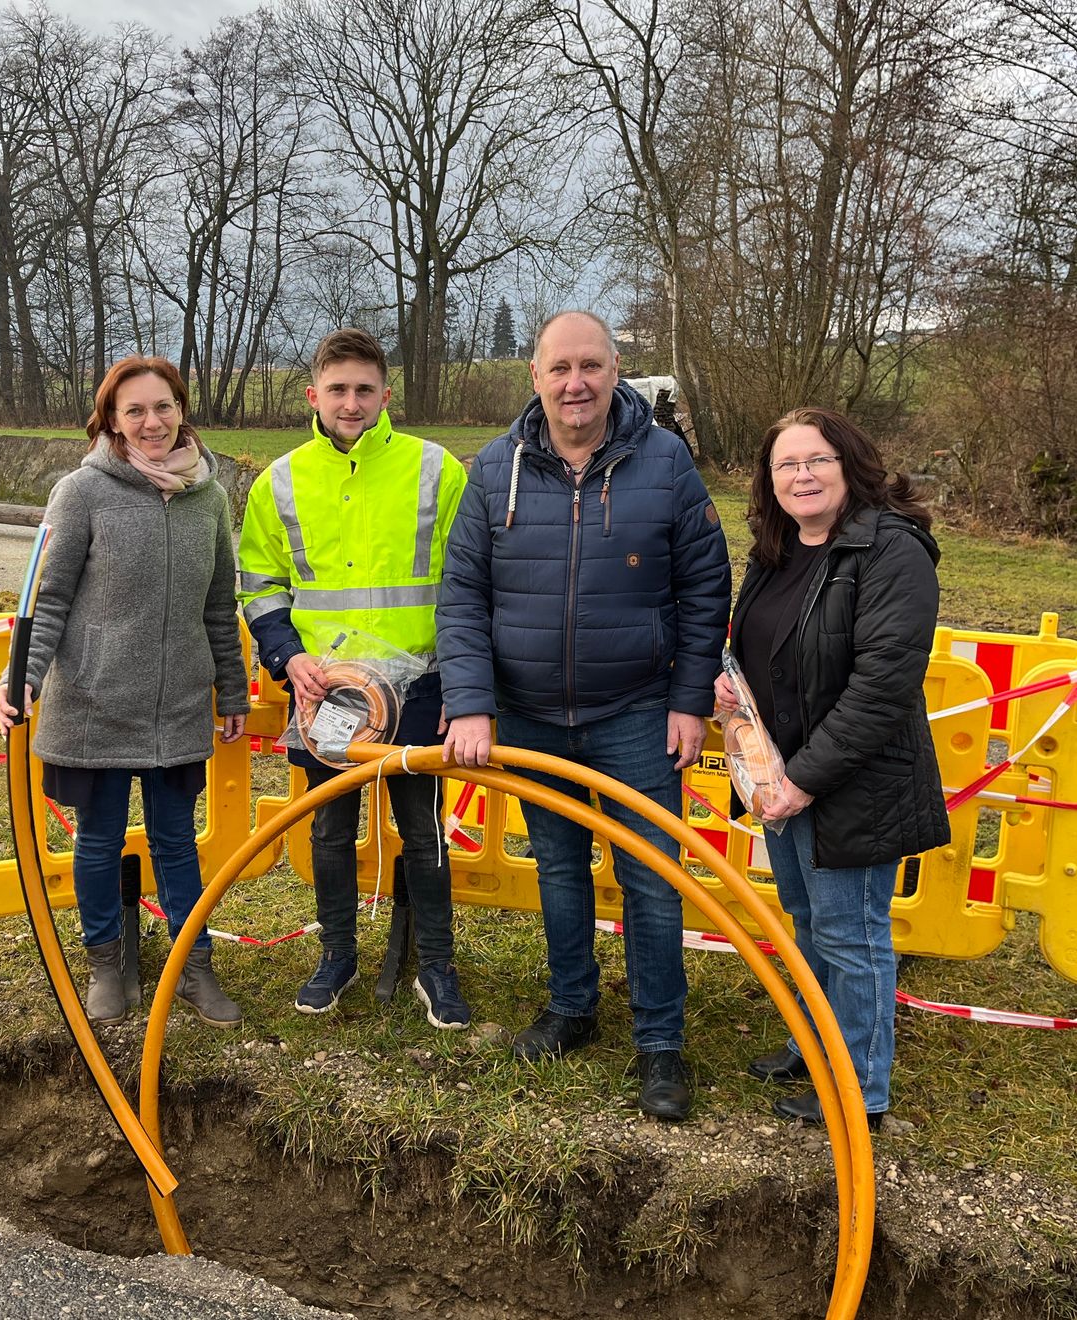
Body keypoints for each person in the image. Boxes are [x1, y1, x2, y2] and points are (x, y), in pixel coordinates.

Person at [437, 310, 731, 1121]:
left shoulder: (666, 464)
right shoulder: (494, 470)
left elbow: (707, 587)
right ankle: (572, 1008)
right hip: (530, 715)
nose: (576, 383)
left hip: (636, 711)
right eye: (560, 367)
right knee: (559, 868)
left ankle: (661, 1044)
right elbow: (462, 596)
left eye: (592, 367)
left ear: (616, 372)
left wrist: (688, 698)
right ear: (534, 376)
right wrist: (469, 702)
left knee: (652, 877)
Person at [0, 355, 250, 1029]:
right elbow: (47, 601)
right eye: (133, 410)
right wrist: (18, 678)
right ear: (111, 419)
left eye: (162, 406)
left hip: (177, 710)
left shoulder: (209, 498)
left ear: (181, 408)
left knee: (175, 841)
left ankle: (193, 969)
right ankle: (108, 962)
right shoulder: (81, 493)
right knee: (99, 841)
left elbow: (220, 606)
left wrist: (232, 692)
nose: (151, 421)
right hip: (93, 705)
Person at [715, 406, 949, 1128]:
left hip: (848, 784)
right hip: (780, 776)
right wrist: (731, 685)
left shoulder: (892, 553)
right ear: (769, 481)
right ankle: (812, 1043)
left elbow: (881, 689)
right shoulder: (775, 550)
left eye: (817, 460)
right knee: (809, 921)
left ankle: (857, 1090)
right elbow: (766, 645)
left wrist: (802, 781)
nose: (802, 475)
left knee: (853, 936)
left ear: (850, 465)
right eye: (786, 464)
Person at [237, 328, 471, 1029]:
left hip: (420, 686)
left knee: (423, 831)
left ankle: (437, 966)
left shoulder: (436, 471)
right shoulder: (279, 482)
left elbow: (468, 584)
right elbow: (261, 586)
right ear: (313, 395)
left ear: (385, 395)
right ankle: (336, 956)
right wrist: (288, 658)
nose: (351, 402)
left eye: (364, 389)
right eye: (337, 389)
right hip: (324, 693)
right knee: (330, 834)